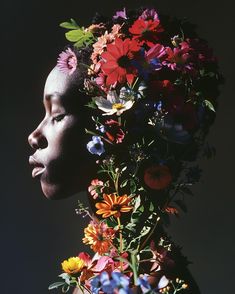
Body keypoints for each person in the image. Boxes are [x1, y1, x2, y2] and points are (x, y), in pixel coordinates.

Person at [28, 6, 222, 293]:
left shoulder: (159, 283)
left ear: (117, 128)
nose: (34, 136)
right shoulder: (106, 266)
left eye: (56, 115)